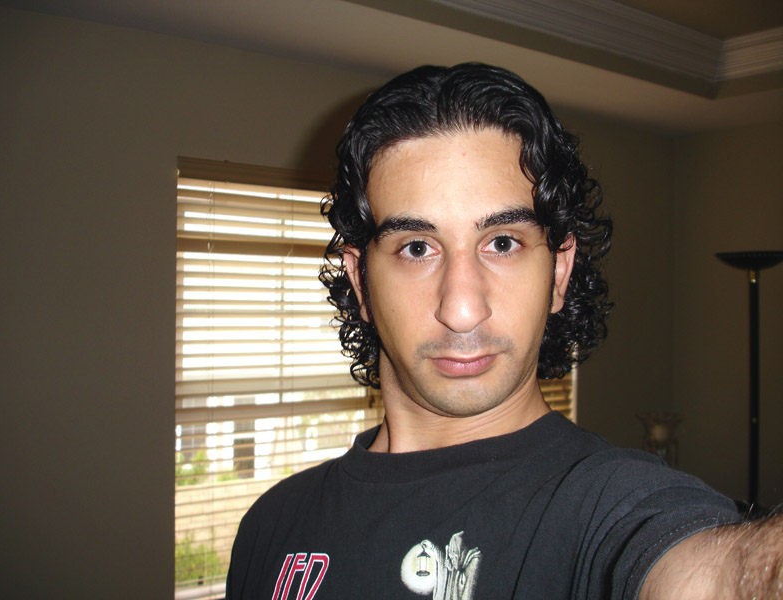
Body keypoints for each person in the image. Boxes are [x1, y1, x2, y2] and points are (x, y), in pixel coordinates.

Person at [226, 63, 782, 599]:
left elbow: (721, 578)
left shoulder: (611, 509)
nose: (462, 310)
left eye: (502, 243)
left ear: (559, 273)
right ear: (361, 281)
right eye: (416, 248)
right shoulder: (272, 525)